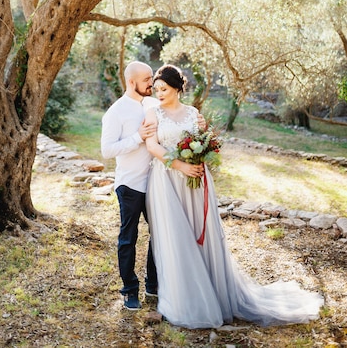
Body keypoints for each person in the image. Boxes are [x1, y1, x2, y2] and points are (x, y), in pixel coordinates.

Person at [144, 63, 324, 329]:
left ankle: (213, 289)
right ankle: (185, 298)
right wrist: (180, 165)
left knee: (198, 230)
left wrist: (199, 158)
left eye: (164, 89)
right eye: (156, 89)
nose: (159, 93)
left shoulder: (194, 114)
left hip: (196, 179)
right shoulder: (153, 113)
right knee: (176, 235)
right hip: (166, 180)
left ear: (178, 88)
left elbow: (202, 141)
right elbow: (151, 145)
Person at [101, 61, 159, 311]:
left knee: (159, 235)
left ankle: (153, 284)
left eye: (152, 78)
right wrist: (138, 137)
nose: (152, 83)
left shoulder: (153, 105)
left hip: (156, 185)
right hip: (130, 185)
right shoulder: (115, 112)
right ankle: (130, 290)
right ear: (132, 82)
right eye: (147, 79)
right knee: (129, 238)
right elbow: (107, 150)